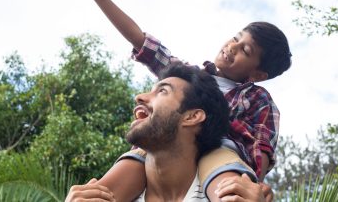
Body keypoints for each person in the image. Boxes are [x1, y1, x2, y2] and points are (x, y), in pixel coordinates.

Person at [60, 0, 289, 201]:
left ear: (258, 74)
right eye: (235, 38)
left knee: (225, 175)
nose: (232, 47)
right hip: (165, 143)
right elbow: (143, 43)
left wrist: (255, 183)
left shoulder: (258, 98)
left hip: (220, 148)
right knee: (131, 164)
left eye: (245, 51)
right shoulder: (187, 77)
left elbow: (261, 146)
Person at [65, 63, 268, 202]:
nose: (139, 97)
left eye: (162, 91)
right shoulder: (109, 194)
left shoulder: (226, 189)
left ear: (191, 117)